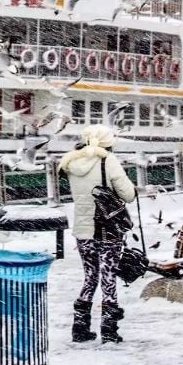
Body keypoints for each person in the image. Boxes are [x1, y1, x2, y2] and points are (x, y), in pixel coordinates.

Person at [59, 125, 136, 344]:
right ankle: (109, 330)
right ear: (107, 142)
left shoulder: (71, 163)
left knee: (90, 277)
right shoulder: (108, 160)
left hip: (83, 230)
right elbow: (128, 194)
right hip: (107, 229)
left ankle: (80, 327)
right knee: (108, 278)